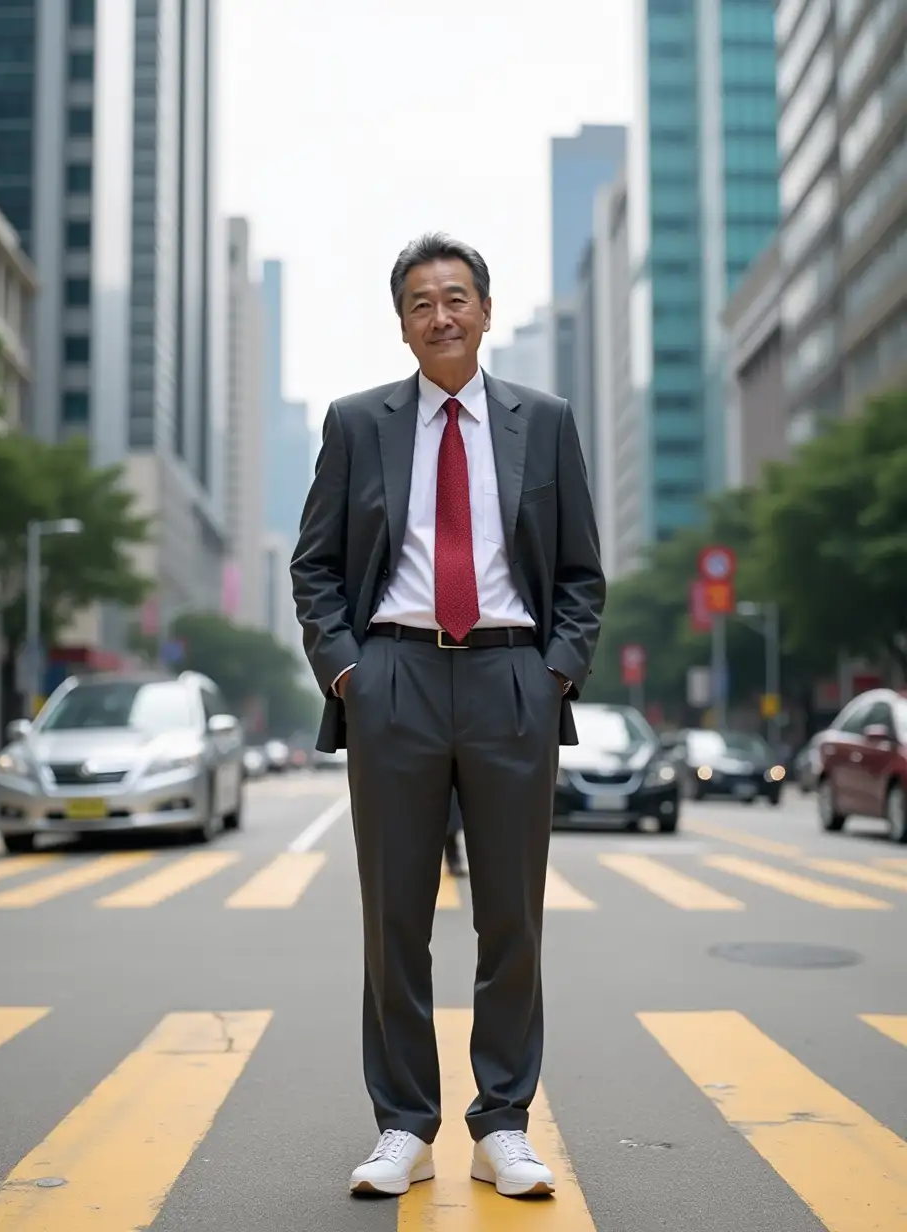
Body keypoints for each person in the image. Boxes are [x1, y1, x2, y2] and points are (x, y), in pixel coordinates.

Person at [291, 233, 605, 1200]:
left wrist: (555, 672)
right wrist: (349, 672)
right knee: (394, 918)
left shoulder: (542, 421)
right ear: (403, 322)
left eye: (457, 297)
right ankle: (404, 1124)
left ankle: (503, 1121)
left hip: (513, 679)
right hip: (395, 679)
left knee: (511, 915)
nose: (442, 315)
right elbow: (315, 566)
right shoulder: (358, 423)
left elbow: (583, 573)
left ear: (485, 310)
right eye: (422, 302)